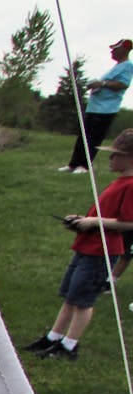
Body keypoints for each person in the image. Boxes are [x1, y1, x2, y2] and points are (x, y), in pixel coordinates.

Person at [29, 127, 133, 360]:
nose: (110, 158)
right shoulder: (120, 182)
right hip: (88, 246)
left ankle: (69, 345)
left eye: (116, 154)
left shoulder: (130, 185)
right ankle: (53, 338)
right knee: (71, 295)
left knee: (83, 301)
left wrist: (94, 222)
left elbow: (129, 223)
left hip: (102, 251)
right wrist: (80, 221)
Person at [57, 38, 133, 174]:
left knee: (93, 138)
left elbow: (123, 84)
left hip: (106, 109)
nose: (112, 51)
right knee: (83, 136)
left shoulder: (127, 66)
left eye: (115, 48)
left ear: (124, 49)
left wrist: (102, 84)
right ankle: (73, 164)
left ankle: (84, 166)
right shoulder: (117, 67)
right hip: (95, 107)